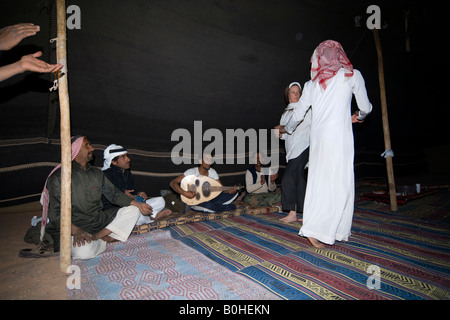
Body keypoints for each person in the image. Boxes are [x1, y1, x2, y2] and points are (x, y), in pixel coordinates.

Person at [275, 40, 372, 248]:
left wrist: (287, 128)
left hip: (318, 140)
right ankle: (328, 229)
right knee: (340, 182)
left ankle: (324, 228)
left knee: (319, 183)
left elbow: (299, 114)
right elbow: (365, 107)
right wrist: (359, 114)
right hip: (339, 137)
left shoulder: (311, 85)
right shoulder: (352, 75)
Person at [42, 136, 152, 259]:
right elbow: (55, 214)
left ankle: (96, 237)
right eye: (87, 145)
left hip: (97, 221)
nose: (92, 148)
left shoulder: (96, 173)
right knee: (83, 253)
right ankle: (104, 238)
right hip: (73, 226)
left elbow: (114, 194)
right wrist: (76, 231)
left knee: (133, 210)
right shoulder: (59, 177)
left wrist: (138, 204)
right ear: (75, 150)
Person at [102, 144, 172, 225]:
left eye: (127, 156)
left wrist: (139, 194)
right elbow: (107, 198)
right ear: (113, 162)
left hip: (134, 205)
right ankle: (152, 218)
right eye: (123, 157)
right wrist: (123, 194)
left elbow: (132, 192)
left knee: (160, 201)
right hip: (117, 210)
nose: (128, 159)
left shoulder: (127, 173)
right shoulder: (105, 175)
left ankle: (147, 217)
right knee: (133, 212)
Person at [278, 82, 311, 223]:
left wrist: (283, 128)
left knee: (288, 179)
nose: (296, 94)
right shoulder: (285, 112)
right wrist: (279, 133)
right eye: (293, 92)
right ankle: (302, 214)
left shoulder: (306, 109)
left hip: (303, 146)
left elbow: (299, 125)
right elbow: (284, 134)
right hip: (291, 150)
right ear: (288, 95)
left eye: (298, 92)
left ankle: (292, 212)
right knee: (300, 180)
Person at [170, 154, 239, 213]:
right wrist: (185, 193)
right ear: (200, 161)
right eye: (206, 159)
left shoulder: (212, 172)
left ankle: (216, 206)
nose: (209, 161)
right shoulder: (191, 172)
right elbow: (173, 183)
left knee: (235, 193)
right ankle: (228, 207)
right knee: (207, 206)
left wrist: (229, 191)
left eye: (210, 160)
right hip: (195, 202)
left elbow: (220, 188)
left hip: (210, 198)